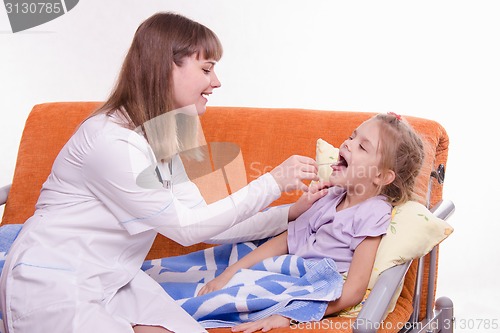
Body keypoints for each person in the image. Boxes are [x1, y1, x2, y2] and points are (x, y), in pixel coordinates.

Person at [0, 12, 322, 333]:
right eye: (207, 69)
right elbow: (185, 228)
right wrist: (273, 181)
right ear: (167, 68)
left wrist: (288, 214)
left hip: (113, 280)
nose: (216, 82)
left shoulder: (159, 136)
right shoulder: (110, 140)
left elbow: (204, 220)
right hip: (52, 281)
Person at [197, 112, 425, 333]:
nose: (347, 144)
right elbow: (285, 240)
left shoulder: (373, 213)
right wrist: (229, 274)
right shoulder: (330, 195)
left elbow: (354, 289)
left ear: (381, 177)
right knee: (222, 262)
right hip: (284, 268)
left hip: (309, 282)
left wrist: (289, 314)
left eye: (362, 146)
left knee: (215, 301)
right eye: (352, 136)